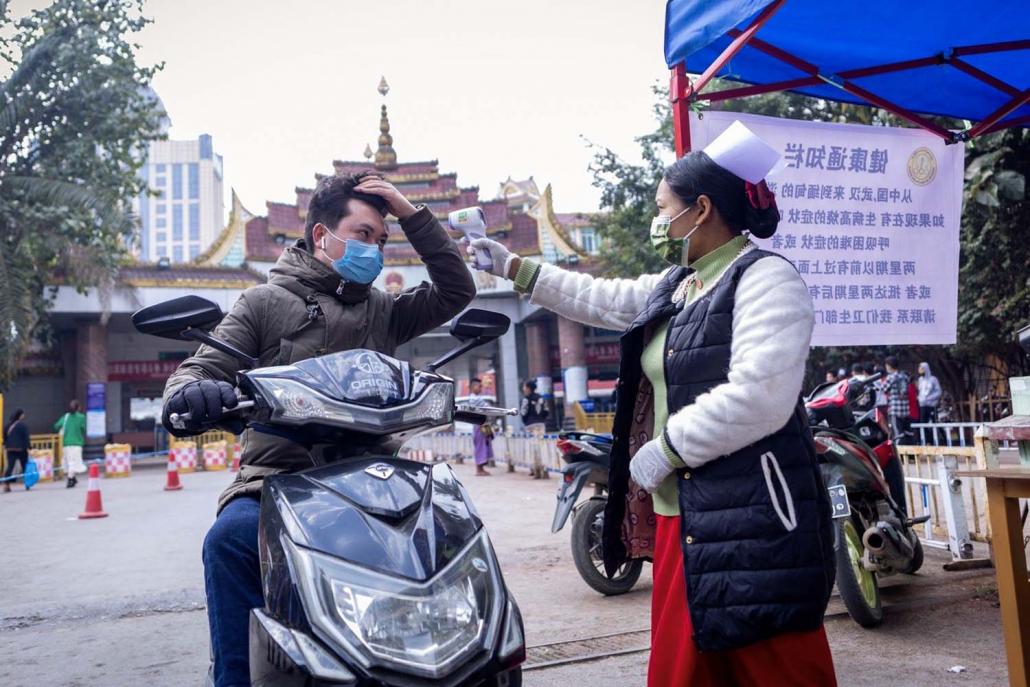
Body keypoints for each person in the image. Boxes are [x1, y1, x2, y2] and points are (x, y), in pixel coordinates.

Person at [470, 122, 836, 686]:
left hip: (749, 515)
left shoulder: (766, 279)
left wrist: (668, 448)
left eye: (664, 208)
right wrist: (512, 267)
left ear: (703, 209)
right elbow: (599, 296)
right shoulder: (680, 283)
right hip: (681, 516)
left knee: (773, 661)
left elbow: (762, 395)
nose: (659, 221)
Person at [161, 173, 475, 687]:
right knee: (230, 540)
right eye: (363, 234)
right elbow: (197, 370)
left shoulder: (384, 310)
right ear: (321, 236)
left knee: (450, 525)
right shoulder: (262, 303)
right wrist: (193, 394)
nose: (373, 249)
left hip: (374, 479)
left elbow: (456, 289)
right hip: (277, 479)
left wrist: (409, 212)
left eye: (380, 239)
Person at [519, 380, 549, 479]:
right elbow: (546, 410)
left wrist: (526, 421)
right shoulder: (541, 398)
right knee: (542, 446)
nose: (523, 389)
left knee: (532, 447)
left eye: (524, 387)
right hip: (540, 424)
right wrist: (541, 418)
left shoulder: (526, 399)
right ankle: (544, 469)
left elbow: (523, 412)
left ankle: (535, 470)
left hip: (530, 425)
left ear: (528, 388)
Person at [54, 400, 86, 488]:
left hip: (66, 443)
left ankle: (73, 478)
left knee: (70, 462)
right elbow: (83, 429)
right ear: (78, 408)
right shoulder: (81, 417)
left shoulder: (65, 417)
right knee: (74, 462)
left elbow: (56, 426)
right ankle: (70, 479)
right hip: (77, 443)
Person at [468, 377, 494, 476]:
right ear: (474, 387)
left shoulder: (475, 398)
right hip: (479, 426)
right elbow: (488, 408)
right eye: (479, 386)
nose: (480, 388)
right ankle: (479, 469)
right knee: (480, 447)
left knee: (482, 446)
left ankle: (481, 468)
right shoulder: (475, 399)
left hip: (480, 425)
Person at [3, 409, 30, 493]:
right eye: (23, 414)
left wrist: (7, 445)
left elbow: (5, 437)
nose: (24, 416)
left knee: (10, 467)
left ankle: (6, 485)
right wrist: (29, 447)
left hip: (10, 449)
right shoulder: (23, 426)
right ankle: (27, 484)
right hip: (21, 449)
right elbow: (26, 438)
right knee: (24, 466)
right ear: (20, 415)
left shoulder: (7, 426)